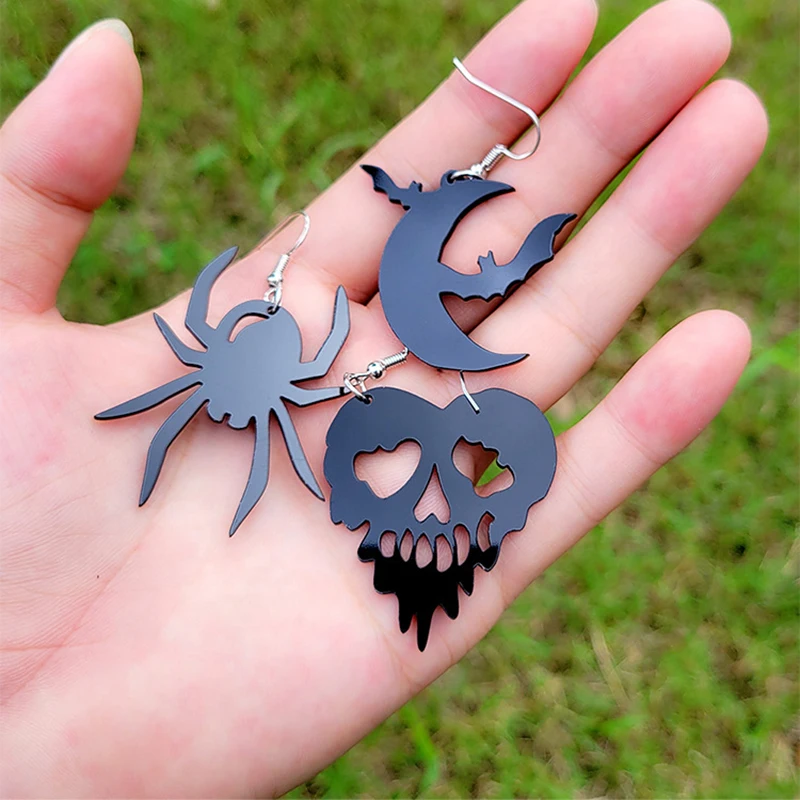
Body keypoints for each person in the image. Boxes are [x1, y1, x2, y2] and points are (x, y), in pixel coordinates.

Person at [0, 0, 766, 796]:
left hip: (307, 360)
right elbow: (254, 362)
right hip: (290, 364)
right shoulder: (272, 385)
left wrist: (334, 336)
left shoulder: (282, 378)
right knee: (205, 430)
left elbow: (286, 371)